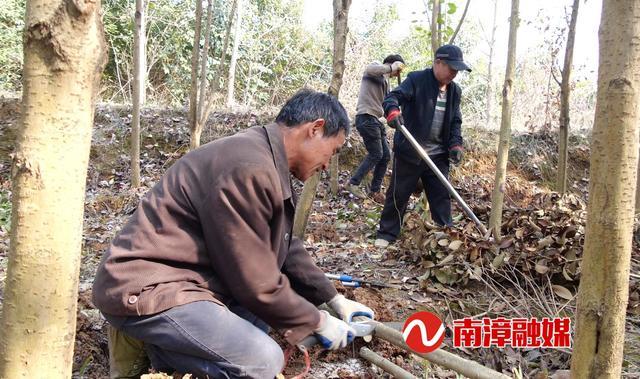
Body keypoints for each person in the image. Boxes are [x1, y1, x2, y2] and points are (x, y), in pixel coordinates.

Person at [92, 89, 375, 379]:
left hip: (180, 280)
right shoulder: (249, 168)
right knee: (262, 361)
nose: (328, 164)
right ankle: (154, 348)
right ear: (315, 129)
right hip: (147, 288)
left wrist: (334, 299)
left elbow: (284, 247)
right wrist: (318, 321)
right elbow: (254, 282)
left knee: (259, 322)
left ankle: (163, 348)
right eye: (334, 150)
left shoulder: (262, 157)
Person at [374, 44, 471, 248]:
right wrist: (392, 111)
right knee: (398, 193)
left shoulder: (455, 91)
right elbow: (393, 97)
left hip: (438, 155)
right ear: (437, 63)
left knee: (441, 196)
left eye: (457, 70)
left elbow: (455, 121)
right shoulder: (417, 80)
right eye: (451, 68)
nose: (454, 73)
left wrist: (455, 145)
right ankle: (387, 233)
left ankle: (445, 235)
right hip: (411, 150)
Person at [346, 54, 405, 204]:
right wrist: (393, 67)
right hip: (365, 116)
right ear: (392, 64)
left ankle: (375, 190)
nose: (396, 74)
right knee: (376, 153)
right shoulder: (376, 67)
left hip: (375, 120)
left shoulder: (386, 83)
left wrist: (395, 118)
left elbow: (386, 107)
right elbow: (370, 69)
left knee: (385, 156)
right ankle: (353, 183)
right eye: (397, 70)